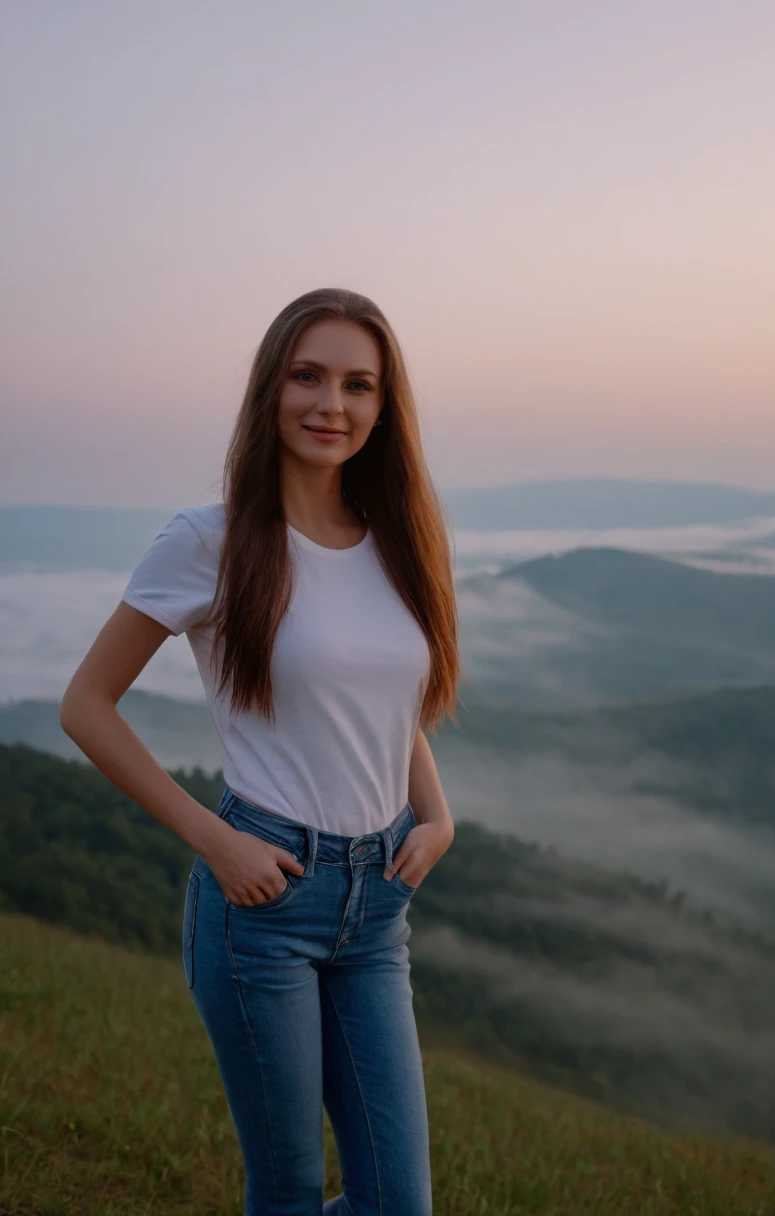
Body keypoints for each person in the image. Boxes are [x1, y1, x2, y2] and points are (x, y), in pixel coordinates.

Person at [59, 286, 462, 1215]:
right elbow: (87, 705)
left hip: (377, 909)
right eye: (308, 377)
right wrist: (215, 840)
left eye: (359, 385)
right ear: (270, 389)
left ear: (383, 406)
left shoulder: (396, 542)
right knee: (286, 1188)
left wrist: (438, 817)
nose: (333, 405)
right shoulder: (211, 541)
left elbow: (391, 706)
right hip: (263, 898)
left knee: (397, 1200)